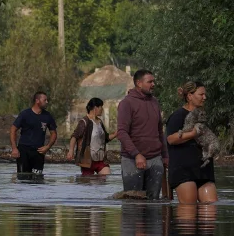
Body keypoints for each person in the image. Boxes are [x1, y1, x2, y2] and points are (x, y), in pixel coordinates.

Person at [115, 69, 168, 199]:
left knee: (154, 204)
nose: (153, 84)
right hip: (132, 159)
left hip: (155, 159)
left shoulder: (155, 102)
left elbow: (160, 132)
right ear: (139, 83)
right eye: (150, 81)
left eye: (153, 81)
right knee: (134, 203)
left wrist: (165, 156)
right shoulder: (126, 103)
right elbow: (121, 133)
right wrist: (137, 154)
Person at [166, 81, 219, 204]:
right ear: (190, 96)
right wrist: (193, 134)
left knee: (210, 212)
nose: (204, 98)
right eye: (201, 94)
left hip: (204, 171)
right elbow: (171, 139)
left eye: (205, 94)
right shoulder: (178, 116)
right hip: (184, 171)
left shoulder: (202, 115)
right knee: (188, 213)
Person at [9, 91, 57, 177]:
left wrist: (47, 146)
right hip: (23, 151)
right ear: (37, 101)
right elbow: (13, 129)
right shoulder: (25, 114)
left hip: (39, 152)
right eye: (45, 100)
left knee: (37, 178)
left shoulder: (47, 116)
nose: (47, 102)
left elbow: (53, 133)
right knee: (23, 177)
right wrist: (14, 148)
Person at [66, 97, 111, 176]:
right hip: (87, 160)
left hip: (101, 160)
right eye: (101, 107)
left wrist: (119, 132)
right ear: (95, 108)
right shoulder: (84, 122)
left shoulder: (100, 122)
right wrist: (71, 151)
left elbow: (106, 138)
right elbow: (74, 137)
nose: (102, 109)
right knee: (88, 183)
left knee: (105, 179)